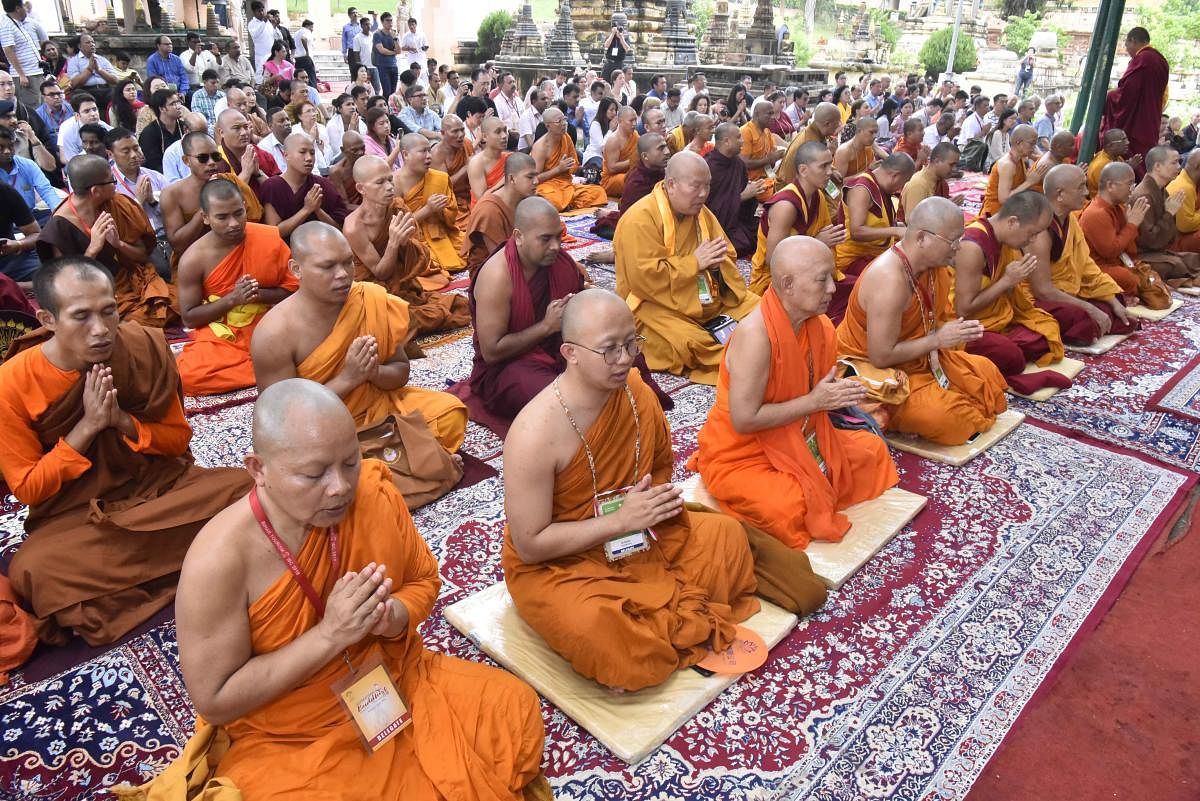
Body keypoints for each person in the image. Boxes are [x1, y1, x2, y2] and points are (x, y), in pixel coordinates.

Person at [152, 378, 546, 798]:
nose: (340, 487)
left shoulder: (373, 495)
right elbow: (216, 697)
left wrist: (394, 617)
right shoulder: (218, 560)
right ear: (258, 469)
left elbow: (423, 581)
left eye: (350, 462)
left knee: (514, 710)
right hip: (291, 730)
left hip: (394, 678)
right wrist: (330, 635)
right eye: (314, 473)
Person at [501, 288, 764, 691]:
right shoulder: (534, 433)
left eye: (631, 343)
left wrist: (647, 508)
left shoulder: (637, 393)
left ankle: (655, 612)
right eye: (609, 349)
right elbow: (531, 544)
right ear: (570, 352)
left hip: (636, 536)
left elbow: (658, 468)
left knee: (727, 540)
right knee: (602, 630)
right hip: (562, 561)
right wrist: (620, 520)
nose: (625, 359)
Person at [0, 257, 251, 646]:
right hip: (78, 515)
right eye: (81, 316)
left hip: (160, 489)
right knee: (33, 572)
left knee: (245, 487)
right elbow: (30, 488)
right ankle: (209, 551)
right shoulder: (12, 384)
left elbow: (176, 441)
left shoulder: (142, 346)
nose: (100, 330)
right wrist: (87, 428)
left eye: (109, 311)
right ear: (47, 319)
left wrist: (123, 422)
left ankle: (135, 578)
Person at [690, 235, 897, 549]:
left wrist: (834, 395)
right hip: (745, 454)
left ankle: (813, 478)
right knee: (790, 505)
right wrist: (814, 402)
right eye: (821, 279)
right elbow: (745, 420)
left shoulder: (821, 326)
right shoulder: (756, 337)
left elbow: (815, 394)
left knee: (871, 452)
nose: (832, 287)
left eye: (832, 276)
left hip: (800, 437)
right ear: (786, 284)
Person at [251, 222, 468, 456]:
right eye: (328, 266)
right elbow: (283, 417)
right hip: (321, 429)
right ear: (296, 269)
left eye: (347, 262)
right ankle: (400, 460)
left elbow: (401, 371)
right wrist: (349, 378)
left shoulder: (368, 299)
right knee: (310, 458)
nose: (343, 274)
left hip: (379, 409)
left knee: (450, 414)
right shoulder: (274, 333)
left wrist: (374, 373)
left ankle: (384, 461)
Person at [837, 197, 1007, 444]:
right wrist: (938, 339)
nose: (958, 247)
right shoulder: (889, 280)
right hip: (877, 371)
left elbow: (931, 319)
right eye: (952, 241)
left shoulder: (932, 267)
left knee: (988, 374)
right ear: (921, 238)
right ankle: (884, 414)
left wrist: (947, 335)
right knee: (946, 418)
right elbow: (880, 356)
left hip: (919, 359)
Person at [614, 151, 759, 385]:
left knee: (762, 309)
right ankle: (747, 363)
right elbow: (643, 279)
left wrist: (715, 265)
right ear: (671, 185)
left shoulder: (701, 213)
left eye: (707, 186)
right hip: (655, 307)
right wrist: (695, 263)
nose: (703, 194)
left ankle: (752, 346)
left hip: (707, 299)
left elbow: (727, 254)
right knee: (689, 343)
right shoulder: (639, 219)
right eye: (696, 187)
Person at [176, 180, 295, 396]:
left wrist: (258, 295)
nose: (233, 223)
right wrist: (233, 299)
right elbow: (190, 318)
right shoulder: (193, 259)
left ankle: (276, 364)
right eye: (222, 217)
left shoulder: (268, 238)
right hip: (225, 331)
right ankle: (276, 368)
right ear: (205, 217)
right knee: (187, 377)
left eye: (238, 213)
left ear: (244, 206)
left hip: (269, 322)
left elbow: (295, 290)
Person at [37, 154, 175, 327]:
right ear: (95, 191)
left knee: (175, 302)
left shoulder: (116, 205)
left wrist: (119, 244)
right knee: (133, 323)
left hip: (130, 280)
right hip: (92, 294)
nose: (116, 186)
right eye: (112, 182)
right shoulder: (57, 229)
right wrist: (92, 250)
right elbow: (64, 285)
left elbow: (141, 256)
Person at [956, 191, 1070, 394]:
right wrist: (1007, 281)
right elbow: (962, 310)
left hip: (994, 318)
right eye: (1032, 233)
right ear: (1012, 222)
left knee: (1047, 331)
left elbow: (1017, 300)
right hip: (962, 327)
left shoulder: (1004, 240)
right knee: (1012, 358)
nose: (1032, 240)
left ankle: (1001, 347)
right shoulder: (973, 246)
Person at [344, 154, 470, 335]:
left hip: (402, 286)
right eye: (380, 183)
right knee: (397, 321)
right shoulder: (354, 227)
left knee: (460, 305)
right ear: (361, 188)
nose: (389, 187)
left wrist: (406, 244)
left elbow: (421, 256)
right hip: (373, 293)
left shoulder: (397, 207)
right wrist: (394, 243)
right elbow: (380, 272)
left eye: (389, 180)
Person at [1027, 164, 1136, 343]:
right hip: (1040, 298)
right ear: (1060, 194)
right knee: (1082, 319)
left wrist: (1111, 298)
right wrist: (1090, 308)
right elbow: (1042, 290)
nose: (1086, 192)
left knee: (1115, 302)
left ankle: (1091, 322)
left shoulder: (1070, 219)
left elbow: (1085, 265)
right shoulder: (1040, 230)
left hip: (1068, 292)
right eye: (1080, 187)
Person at [750, 140, 845, 296]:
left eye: (830, 165)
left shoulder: (818, 195)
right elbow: (773, 259)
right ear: (803, 170)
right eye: (823, 166)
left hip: (809, 271)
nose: (830, 172)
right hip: (778, 282)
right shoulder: (786, 206)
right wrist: (817, 242)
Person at [161, 131, 265, 272]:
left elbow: (254, 219)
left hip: (236, 253)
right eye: (203, 158)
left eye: (216, 157)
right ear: (186, 161)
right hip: (196, 264)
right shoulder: (172, 194)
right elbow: (178, 244)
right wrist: (206, 208)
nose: (211, 163)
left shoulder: (229, 182)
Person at [832, 153, 914, 322]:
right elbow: (857, 231)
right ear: (895, 175)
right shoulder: (862, 188)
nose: (900, 189)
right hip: (851, 260)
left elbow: (881, 223)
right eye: (902, 183)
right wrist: (894, 231)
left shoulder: (880, 188)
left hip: (873, 256)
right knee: (892, 285)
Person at [1078, 160, 1166, 305]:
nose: (1132, 189)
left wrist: (1130, 223)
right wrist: (1132, 224)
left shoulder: (1118, 208)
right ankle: (1118, 298)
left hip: (1119, 262)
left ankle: (1125, 295)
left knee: (1144, 273)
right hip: (1097, 268)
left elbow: (1131, 250)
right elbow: (1110, 252)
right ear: (1110, 185)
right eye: (1129, 184)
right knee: (1129, 278)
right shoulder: (1096, 213)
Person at [393, 133, 464, 277]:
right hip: (413, 239)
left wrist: (441, 211)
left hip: (442, 234)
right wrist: (428, 210)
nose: (429, 156)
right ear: (405, 155)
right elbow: (397, 227)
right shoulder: (395, 183)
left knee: (471, 248)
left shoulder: (439, 178)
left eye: (429, 150)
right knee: (422, 264)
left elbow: (451, 215)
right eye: (423, 151)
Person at [258, 132, 348, 242]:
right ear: (286, 155)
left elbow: (339, 228)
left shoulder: (322, 185)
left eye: (312, 153)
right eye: (302, 152)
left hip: (321, 248)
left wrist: (318, 211)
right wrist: (306, 210)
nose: (309, 158)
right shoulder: (272, 186)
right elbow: (274, 232)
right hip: (286, 253)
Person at [1131, 146, 1200, 284]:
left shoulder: (1161, 190)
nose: (1179, 167)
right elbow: (1149, 241)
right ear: (1157, 166)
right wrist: (1169, 213)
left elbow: (1170, 236)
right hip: (1142, 255)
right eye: (1174, 163)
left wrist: (1170, 214)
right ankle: (1188, 280)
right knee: (1177, 264)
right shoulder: (1144, 195)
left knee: (1193, 259)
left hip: (1160, 250)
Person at [462, 151, 538, 275]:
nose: (536, 181)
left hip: (523, 258)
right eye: (530, 177)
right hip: (492, 271)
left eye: (536, 176)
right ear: (512, 179)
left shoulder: (527, 198)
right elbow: (502, 259)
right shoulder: (489, 210)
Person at [1102, 27, 1169, 166]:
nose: (1127, 51)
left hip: (1137, 120)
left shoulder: (1142, 59)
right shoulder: (1161, 60)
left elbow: (1127, 93)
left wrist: (1110, 95)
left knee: (1134, 157)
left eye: (1127, 46)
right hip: (1152, 116)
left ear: (1132, 40)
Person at [703, 121, 764, 259]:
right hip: (716, 225)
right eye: (738, 137)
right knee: (736, 245)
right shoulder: (708, 167)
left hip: (736, 220)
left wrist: (753, 191)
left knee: (763, 229)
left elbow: (743, 198)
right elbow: (708, 207)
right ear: (726, 141)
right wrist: (741, 196)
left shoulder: (738, 163)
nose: (742, 141)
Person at [533, 107, 608, 211]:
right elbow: (534, 179)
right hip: (548, 187)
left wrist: (575, 169)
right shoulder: (540, 147)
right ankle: (565, 203)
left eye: (564, 119)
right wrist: (558, 169)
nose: (564, 123)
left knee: (599, 192)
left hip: (566, 185)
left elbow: (574, 165)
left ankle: (567, 203)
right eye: (559, 121)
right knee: (551, 199)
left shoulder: (566, 137)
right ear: (548, 126)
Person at [980, 124, 1046, 217]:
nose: (1034, 148)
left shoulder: (1020, 158)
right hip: (996, 213)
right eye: (1031, 143)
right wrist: (1029, 182)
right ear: (1019, 142)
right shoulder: (1008, 165)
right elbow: (1003, 199)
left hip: (1011, 207)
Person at [0, 123, 56, 226]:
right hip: (4, 222)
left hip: (30, 217)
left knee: (57, 218)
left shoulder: (28, 165)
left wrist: (58, 213)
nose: (7, 151)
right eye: (1, 147)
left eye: (10, 146)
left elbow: (46, 190)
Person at [215, 107, 279, 193]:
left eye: (246, 127)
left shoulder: (262, 154)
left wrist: (259, 174)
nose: (244, 132)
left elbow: (279, 191)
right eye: (237, 128)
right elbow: (222, 201)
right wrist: (246, 173)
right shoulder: (215, 161)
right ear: (221, 132)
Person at [778, 102, 840, 187]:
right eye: (836, 124)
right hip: (792, 187)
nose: (838, 126)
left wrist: (833, 170)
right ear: (827, 124)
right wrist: (831, 153)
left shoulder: (813, 131)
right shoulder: (810, 142)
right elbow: (816, 173)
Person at [899, 141, 964, 221]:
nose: (954, 169)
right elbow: (913, 222)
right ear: (936, 161)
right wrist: (945, 208)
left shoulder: (942, 183)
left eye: (955, 165)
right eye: (951, 165)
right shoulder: (918, 185)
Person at [430, 113, 473, 228]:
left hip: (471, 196)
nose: (460, 135)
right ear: (443, 133)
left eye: (462, 130)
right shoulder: (436, 154)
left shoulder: (467, 143)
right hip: (451, 203)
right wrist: (466, 168)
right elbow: (444, 187)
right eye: (455, 131)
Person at [0, 0, 45, 109]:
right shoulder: (6, 24)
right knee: (33, 107)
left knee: (41, 105)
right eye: (24, 7)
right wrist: (21, 75)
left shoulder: (16, 22)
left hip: (34, 71)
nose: (26, 9)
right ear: (17, 9)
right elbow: (8, 50)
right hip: (26, 74)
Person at [739, 100, 785, 203]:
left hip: (769, 178)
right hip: (753, 184)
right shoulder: (745, 131)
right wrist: (768, 160)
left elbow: (771, 163)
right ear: (757, 114)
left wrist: (776, 157)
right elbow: (744, 163)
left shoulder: (767, 131)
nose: (773, 117)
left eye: (773, 113)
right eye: (769, 113)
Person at [0, 173, 40, 281]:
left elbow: (36, 234)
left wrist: (18, 245)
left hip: (7, 260)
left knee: (50, 274)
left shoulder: (4, 191)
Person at [137, 88, 183, 173]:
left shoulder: (184, 126)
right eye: (173, 104)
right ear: (162, 109)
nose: (178, 106)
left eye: (178, 102)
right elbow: (154, 165)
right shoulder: (149, 133)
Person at [1086, 128, 1142, 196]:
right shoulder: (1101, 166)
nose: (1127, 142)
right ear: (1111, 146)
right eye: (1123, 140)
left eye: (1126, 139)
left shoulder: (1116, 157)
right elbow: (1113, 192)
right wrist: (1129, 168)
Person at [467, 116, 509, 201]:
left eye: (505, 130)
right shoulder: (476, 163)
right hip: (487, 209)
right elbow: (482, 199)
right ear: (485, 137)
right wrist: (507, 180)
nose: (504, 136)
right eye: (498, 132)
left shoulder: (509, 157)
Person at [1166, 149, 1200, 253]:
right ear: (1197, 167)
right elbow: (1185, 226)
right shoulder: (1184, 187)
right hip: (1173, 242)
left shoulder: (1190, 182)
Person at [600, 105, 638, 198]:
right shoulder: (614, 140)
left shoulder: (635, 134)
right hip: (611, 179)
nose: (634, 124)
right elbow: (612, 168)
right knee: (632, 180)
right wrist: (632, 161)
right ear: (620, 121)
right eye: (631, 120)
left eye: (635, 120)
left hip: (630, 172)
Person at [832, 114, 885, 180]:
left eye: (876, 132)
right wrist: (868, 171)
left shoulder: (868, 146)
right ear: (859, 131)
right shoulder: (844, 151)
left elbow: (873, 168)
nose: (874, 136)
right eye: (871, 132)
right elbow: (840, 182)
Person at [326, 130, 366, 209]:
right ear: (343, 150)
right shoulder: (336, 171)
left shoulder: (367, 163)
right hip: (345, 211)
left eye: (363, 148)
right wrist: (368, 209)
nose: (361, 153)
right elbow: (345, 205)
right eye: (355, 150)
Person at [372, 13, 400, 101]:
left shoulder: (394, 34)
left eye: (391, 20)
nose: (390, 23)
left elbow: (399, 50)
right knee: (387, 91)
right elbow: (382, 50)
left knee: (393, 92)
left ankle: (392, 110)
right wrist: (393, 52)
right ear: (382, 22)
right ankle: (385, 109)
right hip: (383, 66)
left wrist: (395, 39)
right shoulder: (377, 34)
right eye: (387, 20)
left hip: (393, 66)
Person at [246, 1, 274, 81]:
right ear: (254, 12)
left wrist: (274, 25)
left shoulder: (268, 22)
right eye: (259, 11)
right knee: (261, 78)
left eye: (262, 10)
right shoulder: (252, 24)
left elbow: (272, 36)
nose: (262, 13)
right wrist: (263, 22)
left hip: (271, 54)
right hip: (261, 55)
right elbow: (255, 34)